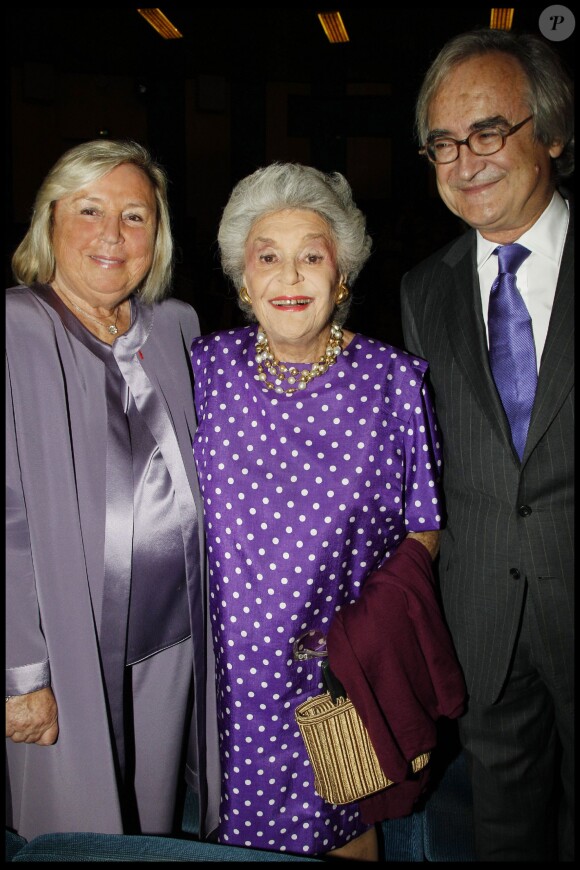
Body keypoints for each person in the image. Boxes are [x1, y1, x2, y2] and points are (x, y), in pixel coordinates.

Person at [189, 162, 450, 860]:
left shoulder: (394, 381)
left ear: (342, 276)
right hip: (228, 676)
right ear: (244, 281)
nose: (290, 276)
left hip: (336, 671)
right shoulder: (203, 370)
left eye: (312, 256)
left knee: (345, 823)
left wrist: (368, 634)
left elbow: (426, 524)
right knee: (231, 833)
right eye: (268, 258)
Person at [6, 139, 220, 841]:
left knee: (151, 818)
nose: (112, 235)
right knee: (76, 829)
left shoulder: (177, 326)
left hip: (172, 631)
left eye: (135, 216)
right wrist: (19, 673)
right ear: (50, 221)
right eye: (90, 209)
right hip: (64, 640)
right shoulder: (17, 328)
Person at [400, 28, 574, 862]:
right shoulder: (420, 291)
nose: (464, 160)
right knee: (505, 835)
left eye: (487, 132)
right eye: (442, 142)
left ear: (551, 131)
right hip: (483, 624)